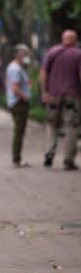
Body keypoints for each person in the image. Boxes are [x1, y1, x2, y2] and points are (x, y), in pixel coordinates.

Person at [40, 29, 81, 171]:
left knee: (52, 124)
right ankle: (68, 160)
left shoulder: (52, 52)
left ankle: (49, 153)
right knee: (72, 126)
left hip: (53, 95)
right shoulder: (78, 54)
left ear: (63, 39)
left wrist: (44, 91)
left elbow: (44, 72)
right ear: (75, 40)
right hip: (73, 96)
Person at [6, 44, 32, 168]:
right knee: (19, 132)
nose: (28, 58)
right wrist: (25, 98)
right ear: (21, 55)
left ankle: (17, 158)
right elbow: (15, 88)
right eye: (26, 55)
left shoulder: (17, 67)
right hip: (18, 103)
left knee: (19, 131)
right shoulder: (15, 69)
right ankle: (16, 159)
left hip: (17, 102)